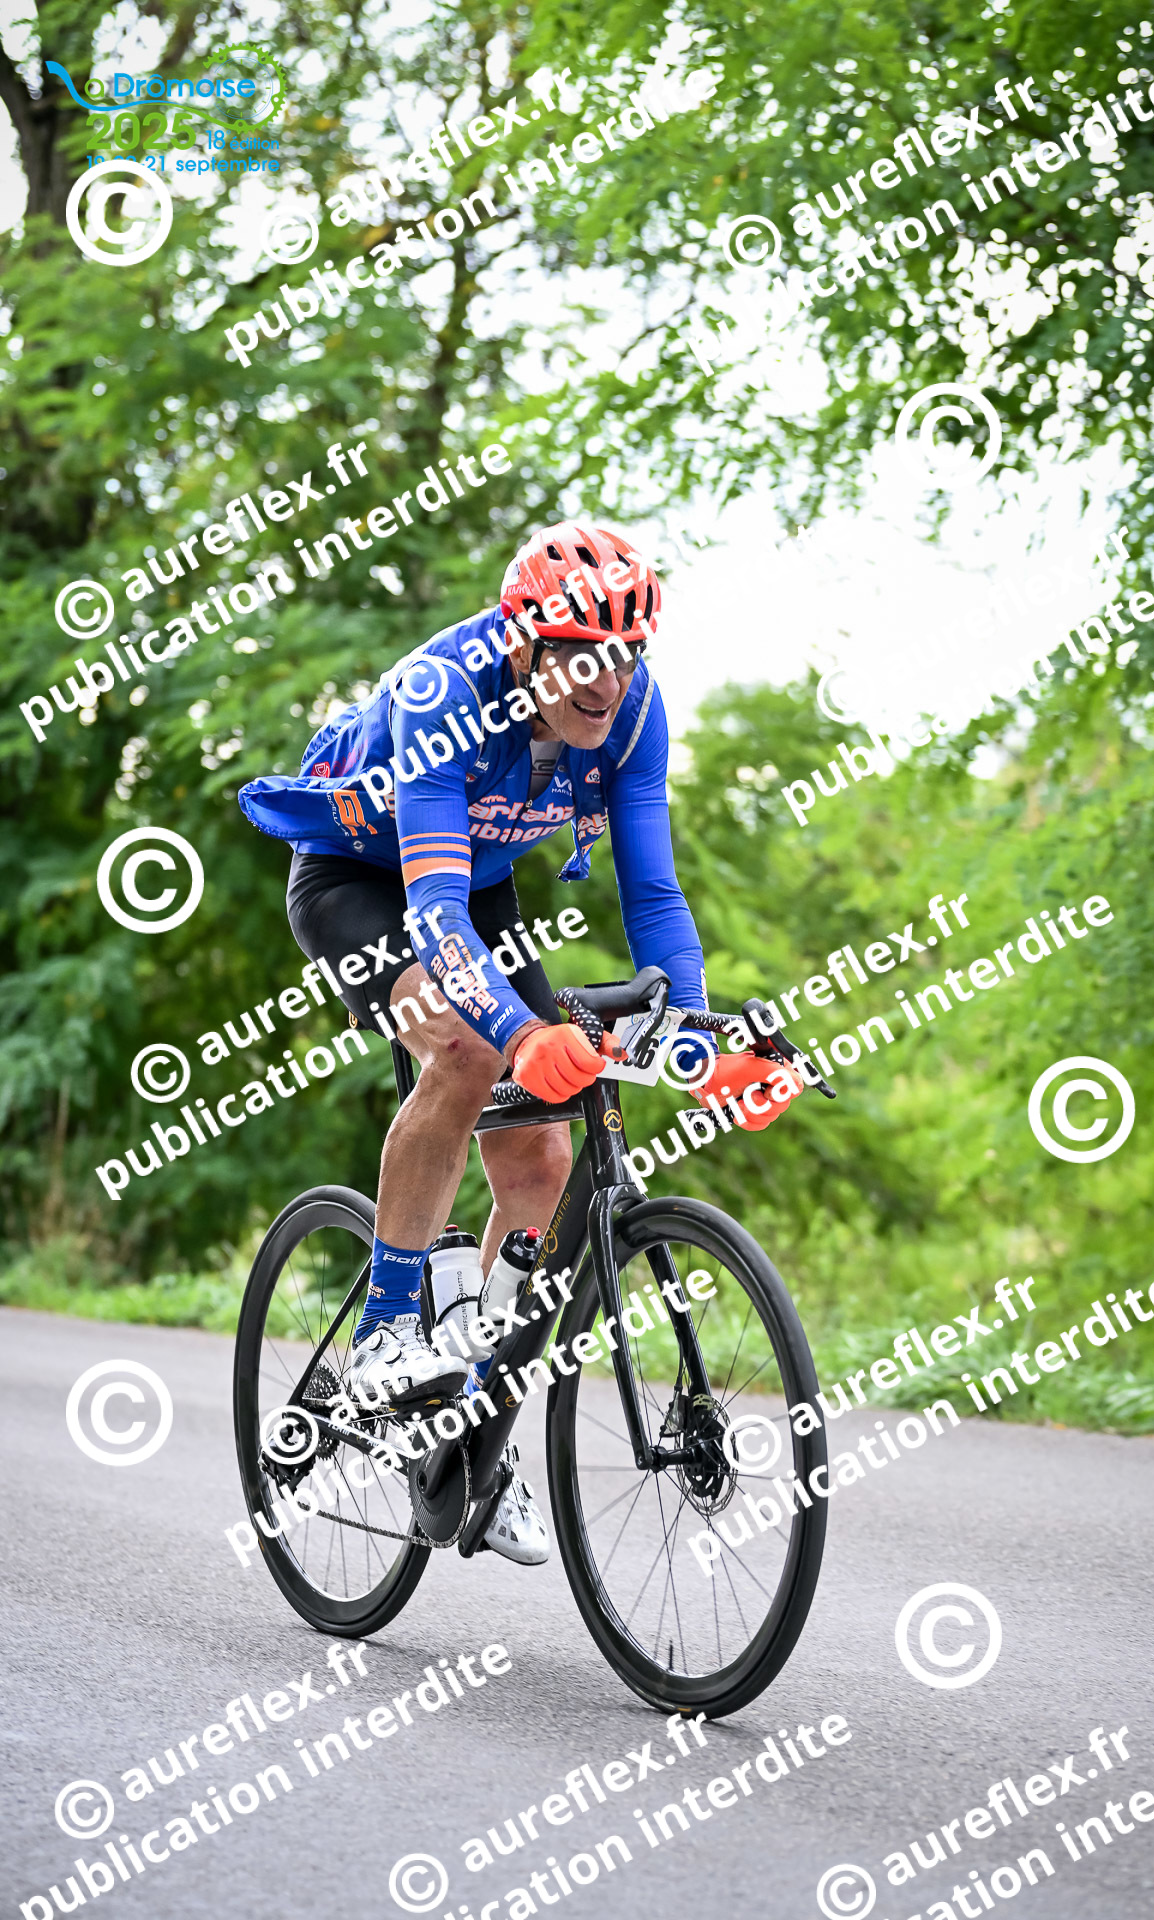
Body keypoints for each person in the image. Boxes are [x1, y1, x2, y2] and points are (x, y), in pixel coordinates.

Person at [239, 521, 794, 1562]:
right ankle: (386, 1332)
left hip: (478, 890)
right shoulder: (444, 696)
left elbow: (653, 893)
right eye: (581, 654)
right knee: (470, 1052)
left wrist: (695, 1034)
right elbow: (434, 915)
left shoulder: (632, 715)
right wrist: (519, 1030)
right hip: (363, 882)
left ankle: (472, 1439)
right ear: (523, 643)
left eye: (624, 652)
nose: (606, 679)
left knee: (541, 1152)